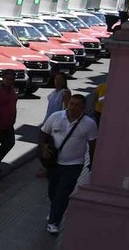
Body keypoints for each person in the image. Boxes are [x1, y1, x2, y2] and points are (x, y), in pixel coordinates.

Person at [39, 94, 97, 235]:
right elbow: (43, 133)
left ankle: (54, 222)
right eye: (71, 103)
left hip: (74, 164)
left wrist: (92, 165)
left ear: (83, 108)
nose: (73, 107)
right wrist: (43, 147)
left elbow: (93, 145)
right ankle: (55, 211)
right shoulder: (56, 117)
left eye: (77, 105)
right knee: (53, 190)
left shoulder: (89, 124)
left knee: (63, 193)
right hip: (54, 163)